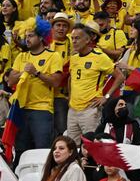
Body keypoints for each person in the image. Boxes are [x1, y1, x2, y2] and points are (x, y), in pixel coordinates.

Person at [7, 16, 63, 158]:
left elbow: (56, 82)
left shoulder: (53, 56)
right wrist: (23, 72)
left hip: (42, 109)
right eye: (26, 36)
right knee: (20, 150)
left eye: (31, 36)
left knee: (42, 150)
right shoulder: (21, 56)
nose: (27, 39)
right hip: (20, 108)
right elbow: (10, 82)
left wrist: (37, 73)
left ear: (41, 37)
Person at [68, 22, 125, 145]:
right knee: (72, 147)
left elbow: (120, 76)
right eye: (72, 38)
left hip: (90, 109)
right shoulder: (73, 58)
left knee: (91, 145)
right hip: (72, 110)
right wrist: (70, 98)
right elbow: (71, 79)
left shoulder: (100, 57)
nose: (74, 41)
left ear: (88, 39)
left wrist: (107, 97)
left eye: (77, 38)